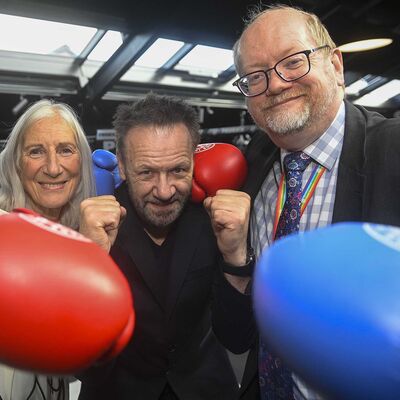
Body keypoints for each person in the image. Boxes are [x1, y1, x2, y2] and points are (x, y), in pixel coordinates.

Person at [212, 3, 400, 400]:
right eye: (255, 76)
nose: (276, 84)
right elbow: (237, 335)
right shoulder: (251, 167)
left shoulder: (393, 150)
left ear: (335, 65)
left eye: (293, 62)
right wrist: (235, 260)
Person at [77, 93, 245, 400]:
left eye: (178, 170)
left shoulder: (213, 219)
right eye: (147, 172)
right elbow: (79, 362)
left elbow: (238, 338)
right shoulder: (95, 228)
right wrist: (89, 261)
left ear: (194, 162)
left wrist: (235, 255)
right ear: (123, 167)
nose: (165, 191)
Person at [0, 98, 96, 400]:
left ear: (81, 160)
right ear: (16, 161)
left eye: (65, 150)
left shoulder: (78, 235)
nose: (53, 168)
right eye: (36, 151)